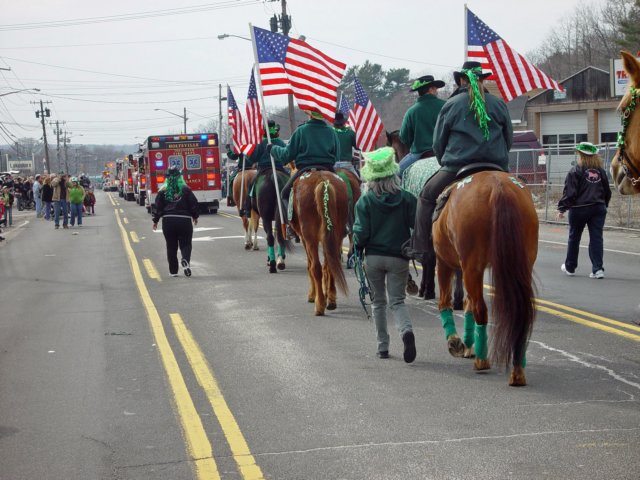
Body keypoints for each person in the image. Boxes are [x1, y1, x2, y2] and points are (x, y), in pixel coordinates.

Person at [409, 61, 513, 270]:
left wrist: (443, 161)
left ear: (462, 80)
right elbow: (508, 138)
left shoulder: (453, 104)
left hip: (458, 167)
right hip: (496, 167)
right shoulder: (498, 104)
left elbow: (438, 142)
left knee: (426, 196)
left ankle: (421, 248)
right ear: (482, 79)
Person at [353, 147, 418, 363]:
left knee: (378, 302)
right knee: (397, 301)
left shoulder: (365, 201)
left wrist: (357, 245)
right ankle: (406, 332)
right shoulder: (407, 199)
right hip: (399, 256)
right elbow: (416, 226)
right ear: (393, 172)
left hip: (373, 258)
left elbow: (361, 234)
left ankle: (382, 347)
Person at [557, 142, 612, 278]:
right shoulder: (601, 172)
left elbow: (570, 193)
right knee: (596, 238)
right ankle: (598, 269)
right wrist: (604, 204)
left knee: (574, 237)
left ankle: (570, 267)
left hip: (579, 209)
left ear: (580, 155)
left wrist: (562, 208)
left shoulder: (575, 171)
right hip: (598, 208)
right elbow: (607, 191)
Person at [271, 110, 340, 213]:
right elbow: (337, 156)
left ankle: (290, 225)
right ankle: (346, 225)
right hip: (328, 169)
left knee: (284, 194)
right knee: (344, 193)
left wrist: (273, 149)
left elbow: (286, 155)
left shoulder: (301, 131)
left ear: (310, 115)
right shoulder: (332, 132)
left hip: (304, 169)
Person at [152, 166, 199, 277]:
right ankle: (185, 260)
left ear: (167, 178)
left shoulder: (162, 191)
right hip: (184, 220)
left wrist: (155, 220)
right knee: (186, 243)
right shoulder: (185, 189)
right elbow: (194, 204)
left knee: (171, 246)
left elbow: (158, 207)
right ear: (179, 176)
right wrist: (195, 216)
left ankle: (173, 271)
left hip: (168, 221)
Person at [398, 75, 446, 177]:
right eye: (435, 88)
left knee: (395, 174)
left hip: (419, 153)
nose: (437, 91)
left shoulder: (411, 112)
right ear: (431, 89)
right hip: (446, 153)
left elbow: (404, 138)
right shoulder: (446, 106)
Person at [239, 120, 287, 216]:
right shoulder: (281, 142)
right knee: (290, 183)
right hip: (279, 169)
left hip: (263, 169)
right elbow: (285, 157)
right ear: (276, 131)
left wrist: (249, 155)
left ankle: (247, 209)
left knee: (251, 185)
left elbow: (253, 158)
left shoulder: (261, 143)